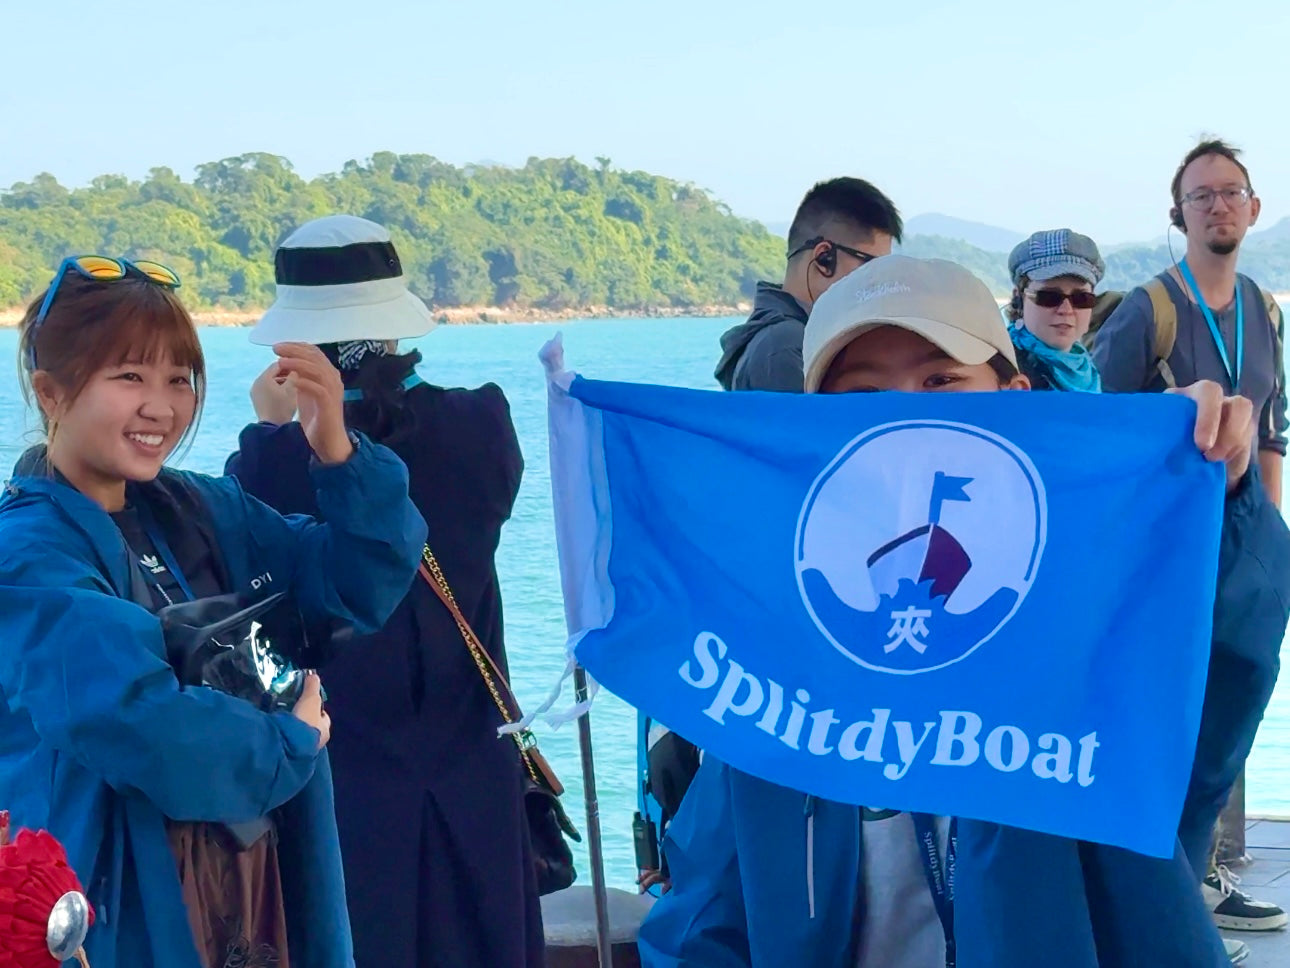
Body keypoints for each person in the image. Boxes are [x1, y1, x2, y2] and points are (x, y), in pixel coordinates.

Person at [637, 255, 1290, 968]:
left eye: (941, 381)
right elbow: (702, 919)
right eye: (863, 393)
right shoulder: (781, 668)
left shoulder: (1090, 620)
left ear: (1013, 397)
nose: (906, 417)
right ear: (820, 431)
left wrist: (1225, 498)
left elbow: (1221, 684)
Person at [0, 255, 426, 968]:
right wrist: (289, 741)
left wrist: (338, 453)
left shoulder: (201, 510)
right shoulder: (28, 556)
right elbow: (141, 722)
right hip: (125, 904)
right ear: (51, 392)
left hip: (257, 887)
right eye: (129, 377)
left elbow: (353, 586)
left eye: (178, 379)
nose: (161, 407)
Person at [224, 215, 540, 968]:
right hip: (474, 771)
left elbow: (256, 576)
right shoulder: (483, 426)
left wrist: (269, 427)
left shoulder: (269, 462)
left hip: (344, 782)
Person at [1089, 138, 1289, 939]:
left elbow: (1271, 430)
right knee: (1167, 737)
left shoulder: (1265, 311)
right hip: (1164, 565)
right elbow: (1103, 443)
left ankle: (1195, 890)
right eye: (1200, 195)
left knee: (1229, 732)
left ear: (1254, 207)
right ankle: (1155, 915)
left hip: (1243, 551)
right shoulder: (1149, 311)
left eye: (1230, 191)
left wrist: (1268, 543)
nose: (1217, 205)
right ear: (1179, 215)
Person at [714, 176, 902, 392]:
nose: (877, 282)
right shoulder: (786, 347)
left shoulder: (780, 340)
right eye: (872, 267)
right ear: (824, 258)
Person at [1006, 229, 1105, 392]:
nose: (1066, 310)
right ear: (1019, 298)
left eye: (1081, 298)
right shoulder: (1000, 370)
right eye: (1049, 297)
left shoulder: (1087, 369)